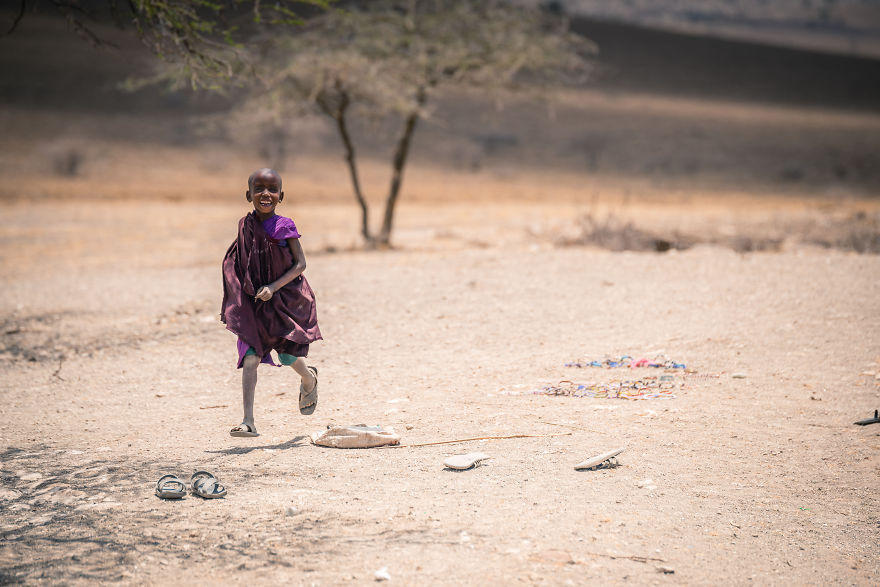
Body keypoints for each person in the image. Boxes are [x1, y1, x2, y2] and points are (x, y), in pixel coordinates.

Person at [220, 168, 322, 437]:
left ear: (281, 196)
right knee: (250, 357)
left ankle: (309, 377)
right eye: (259, 188)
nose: (265, 194)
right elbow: (240, 262)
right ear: (248, 194)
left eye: (272, 189)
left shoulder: (284, 226)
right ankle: (248, 421)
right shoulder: (245, 225)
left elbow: (301, 264)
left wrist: (273, 287)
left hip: (284, 300)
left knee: (288, 357)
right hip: (254, 304)